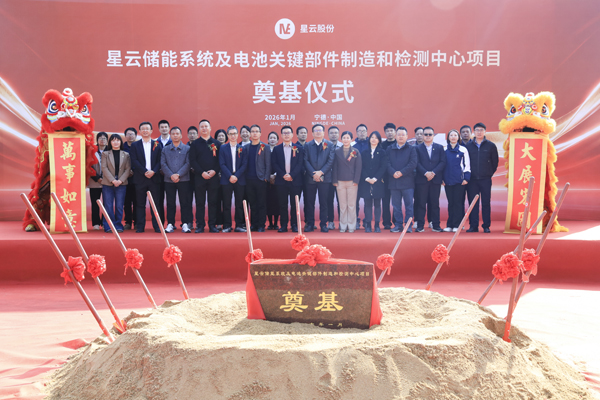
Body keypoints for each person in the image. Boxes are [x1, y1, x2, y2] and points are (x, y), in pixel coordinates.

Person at [129, 122, 162, 233]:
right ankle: (140, 226)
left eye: (147, 128)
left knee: (155, 204)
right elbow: (134, 160)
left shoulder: (157, 144)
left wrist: (153, 171)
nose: (145, 131)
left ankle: (157, 226)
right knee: (140, 204)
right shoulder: (135, 145)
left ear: (151, 131)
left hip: (154, 178)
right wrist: (144, 171)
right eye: (143, 129)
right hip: (140, 178)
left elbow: (160, 160)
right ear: (140, 131)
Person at [466, 122, 499, 233]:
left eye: (481, 130)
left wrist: (488, 173)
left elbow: (495, 162)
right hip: (472, 180)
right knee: (473, 203)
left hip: (485, 179)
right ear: (473, 132)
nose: (479, 132)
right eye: (477, 130)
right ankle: (473, 226)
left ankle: (486, 226)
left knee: (486, 203)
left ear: (485, 131)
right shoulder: (468, 146)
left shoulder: (491, 146)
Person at [189, 119, 221, 233]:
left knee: (213, 202)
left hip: (214, 177)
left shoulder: (217, 143)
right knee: (200, 202)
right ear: (199, 129)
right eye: (202, 126)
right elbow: (192, 160)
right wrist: (201, 172)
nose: (204, 128)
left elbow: (220, 160)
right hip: (199, 177)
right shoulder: (195, 144)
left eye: (206, 126)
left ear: (210, 128)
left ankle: (212, 225)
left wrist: (215, 171)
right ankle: (200, 225)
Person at [272, 125, 304, 233]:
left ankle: (294, 225)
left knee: (295, 205)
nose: (286, 135)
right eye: (284, 133)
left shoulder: (299, 148)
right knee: (282, 204)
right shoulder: (276, 149)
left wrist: (292, 175)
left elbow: (300, 164)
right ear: (281, 135)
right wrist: (283, 175)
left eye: (288, 133)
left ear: (292, 135)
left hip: (295, 181)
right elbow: (274, 164)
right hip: (281, 181)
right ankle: (284, 225)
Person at [304, 124, 335, 232]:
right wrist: (314, 174)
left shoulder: (329, 145)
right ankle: (310, 224)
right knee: (309, 202)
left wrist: (321, 172)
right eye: (316, 130)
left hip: (325, 178)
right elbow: (305, 160)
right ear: (312, 133)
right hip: (310, 178)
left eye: (320, 130)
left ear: (323, 132)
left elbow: (330, 161)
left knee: (324, 202)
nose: (318, 132)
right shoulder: (307, 145)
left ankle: (323, 224)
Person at [161, 126, 192, 233]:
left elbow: (188, 163)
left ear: (181, 135)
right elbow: (163, 164)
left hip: (184, 180)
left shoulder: (187, 149)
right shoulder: (165, 149)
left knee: (185, 202)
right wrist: (171, 175)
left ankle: (185, 223)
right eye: (173, 134)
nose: (175, 135)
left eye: (177, 133)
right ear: (170, 135)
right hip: (169, 180)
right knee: (170, 203)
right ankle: (170, 223)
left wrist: (178, 174)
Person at [415, 127, 446, 232]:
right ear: (423, 136)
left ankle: (436, 225)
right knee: (421, 203)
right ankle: (420, 225)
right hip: (421, 179)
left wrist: (433, 173)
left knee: (434, 203)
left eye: (430, 134)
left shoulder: (439, 147)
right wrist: (425, 173)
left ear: (433, 136)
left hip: (435, 179)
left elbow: (442, 162)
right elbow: (416, 163)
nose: (428, 136)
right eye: (426, 134)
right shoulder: (417, 148)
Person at [387, 127, 417, 233]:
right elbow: (386, 163)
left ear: (407, 136)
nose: (400, 137)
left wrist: (401, 172)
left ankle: (408, 225)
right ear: (395, 136)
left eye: (403, 135)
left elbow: (413, 163)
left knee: (409, 205)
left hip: (407, 182)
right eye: (399, 134)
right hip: (394, 181)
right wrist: (393, 172)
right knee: (396, 206)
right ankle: (398, 225)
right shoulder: (390, 149)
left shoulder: (411, 149)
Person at [219, 126, 248, 233]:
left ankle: (239, 225)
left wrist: (236, 175)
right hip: (227, 179)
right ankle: (227, 225)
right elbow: (222, 164)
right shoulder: (223, 148)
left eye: (235, 133)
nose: (233, 136)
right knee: (226, 204)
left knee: (239, 204)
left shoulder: (242, 148)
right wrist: (230, 176)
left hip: (239, 179)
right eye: (230, 134)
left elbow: (244, 164)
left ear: (237, 135)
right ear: (228, 135)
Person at [333, 131, 362, 233]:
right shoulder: (337, 151)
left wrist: (356, 180)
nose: (346, 140)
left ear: (351, 139)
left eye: (348, 138)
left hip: (352, 182)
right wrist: (335, 180)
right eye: (344, 138)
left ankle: (351, 226)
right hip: (340, 181)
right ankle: (343, 226)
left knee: (351, 205)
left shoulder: (355, 151)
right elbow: (334, 167)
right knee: (342, 205)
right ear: (341, 139)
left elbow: (358, 168)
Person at [101, 134, 131, 233]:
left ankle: (118, 225)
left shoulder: (126, 154)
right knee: (108, 205)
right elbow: (104, 168)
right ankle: (108, 225)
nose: (116, 142)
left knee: (119, 206)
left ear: (120, 142)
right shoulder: (105, 154)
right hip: (108, 183)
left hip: (121, 183)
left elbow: (128, 169)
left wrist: (120, 180)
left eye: (118, 140)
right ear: (110, 142)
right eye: (113, 140)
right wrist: (113, 180)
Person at [359, 131, 387, 233]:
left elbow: (383, 167)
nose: (373, 139)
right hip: (366, 182)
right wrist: (367, 178)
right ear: (369, 139)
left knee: (377, 204)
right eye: (372, 137)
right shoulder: (364, 152)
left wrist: (375, 178)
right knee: (367, 204)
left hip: (378, 182)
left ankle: (377, 225)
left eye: (376, 138)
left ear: (379, 140)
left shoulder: (382, 152)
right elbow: (361, 167)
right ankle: (368, 224)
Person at [443, 129, 471, 232]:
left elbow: (467, 165)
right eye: (451, 135)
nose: (453, 137)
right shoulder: (444, 150)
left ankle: (458, 225)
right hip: (447, 181)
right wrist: (442, 179)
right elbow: (442, 165)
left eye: (455, 135)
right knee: (451, 203)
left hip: (460, 181)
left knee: (458, 203)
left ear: (458, 137)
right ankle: (450, 225)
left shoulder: (463, 150)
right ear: (448, 137)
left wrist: (466, 178)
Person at [244, 125, 271, 232]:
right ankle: (253, 224)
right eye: (253, 131)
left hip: (261, 179)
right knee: (252, 204)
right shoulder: (246, 147)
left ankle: (261, 225)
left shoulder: (265, 147)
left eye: (257, 131)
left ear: (260, 133)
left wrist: (266, 178)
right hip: (249, 179)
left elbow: (268, 164)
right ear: (250, 134)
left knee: (261, 203)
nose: (254, 133)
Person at [88, 132, 107, 230]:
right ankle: (95, 223)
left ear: (107, 140)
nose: (102, 140)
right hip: (94, 181)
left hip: (108, 181)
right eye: (100, 138)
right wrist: (98, 178)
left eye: (104, 138)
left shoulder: (110, 150)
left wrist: (106, 178)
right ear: (97, 140)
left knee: (106, 203)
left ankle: (104, 222)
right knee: (95, 202)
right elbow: (88, 165)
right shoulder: (92, 150)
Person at [352, 124, 369, 229]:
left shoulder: (371, 144)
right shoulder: (352, 145)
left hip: (368, 177)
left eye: (364, 131)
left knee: (368, 201)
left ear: (367, 132)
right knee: (355, 201)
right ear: (356, 133)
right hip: (355, 177)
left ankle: (367, 221)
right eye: (359, 131)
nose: (362, 133)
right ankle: (355, 220)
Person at [326, 126, 343, 230]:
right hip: (328, 178)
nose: (334, 135)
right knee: (329, 201)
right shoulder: (325, 146)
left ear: (338, 134)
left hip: (340, 178)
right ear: (328, 134)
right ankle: (330, 221)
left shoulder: (343, 146)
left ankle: (342, 222)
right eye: (331, 133)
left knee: (341, 201)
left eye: (336, 133)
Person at [380, 123, 397, 230]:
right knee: (385, 201)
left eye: (391, 130)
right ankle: (386, 222)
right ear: (385, 133)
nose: (389, 133)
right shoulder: (382, 145)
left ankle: (396, 220)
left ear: (395, 132)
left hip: (396, 177)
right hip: (385, 178)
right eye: (387, 131)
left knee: (396, 201)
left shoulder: (399, 144)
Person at [156, 120, 171, 225]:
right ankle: (160, 223)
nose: (164, 129)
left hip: (171, 176)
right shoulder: (155, 143)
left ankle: (171, 223)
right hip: (159, 176)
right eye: (162, 127)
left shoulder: (174, 141)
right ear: (159, 129)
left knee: (171, 200)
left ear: (169, 128)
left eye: (166, 127)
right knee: (159, 199)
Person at [122, 127, 137, 230]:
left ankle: (136, 222)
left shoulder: (138, 146)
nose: (130, 136)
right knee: (126, 202)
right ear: (125, 136)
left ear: (135, 135)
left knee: (137, 202)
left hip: (137, 178)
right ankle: (128, 222)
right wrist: (127, 172)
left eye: (132, 134)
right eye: (128, 134)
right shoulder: (121, 147)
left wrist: (134, 170)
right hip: (124, 178)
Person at [213, 129, 228, 230]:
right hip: (215, 179)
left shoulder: (228, 148)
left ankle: (226, 223)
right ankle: (218, 222)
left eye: (223, 136)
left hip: (227, 178)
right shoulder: (214, 148)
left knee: (226, 202)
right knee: (217, 201)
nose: (221, 138)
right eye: (219, 136)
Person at [266, 131, 280, 230]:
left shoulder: (279, 150)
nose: (272, 139)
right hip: (266, 179)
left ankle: (276, 223)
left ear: (277, 140)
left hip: (277, 179)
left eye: (274, 138)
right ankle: (270, 223)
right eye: (270, 138)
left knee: (277, 201)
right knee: (268, 201)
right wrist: (268, 176)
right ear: (267, 140)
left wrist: (275, 175)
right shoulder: (264, 149)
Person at [186, 126, 198, 226]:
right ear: (187, 135)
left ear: (197, 135)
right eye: (190, 133)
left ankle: (199, 221)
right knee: (188, 201)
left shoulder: (200, 146)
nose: (192, 135)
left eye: (194, 133)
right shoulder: (185, 147)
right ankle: (189, 221)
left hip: (198, 176)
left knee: (199, 201)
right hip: (187, 177)